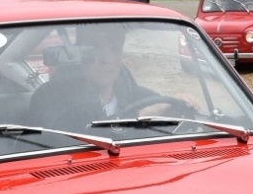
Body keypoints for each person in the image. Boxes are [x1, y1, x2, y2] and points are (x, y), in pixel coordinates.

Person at [27, 24, 161, 132]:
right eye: (96, 48)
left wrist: (175, 105)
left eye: (115, 49)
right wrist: (136, 118)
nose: (107, 59)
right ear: (79, 52)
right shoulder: (49, 99)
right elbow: (60, 144)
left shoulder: (142, 98)